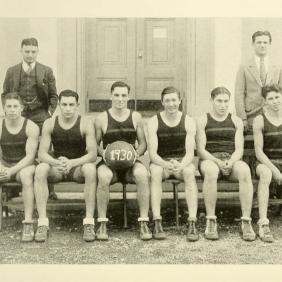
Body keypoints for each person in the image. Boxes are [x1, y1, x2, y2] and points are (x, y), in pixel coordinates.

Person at [33, 90, 97, 242]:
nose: (68, 108)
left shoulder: (85, 123)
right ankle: (42, 223)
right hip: (58, 168)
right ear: (59, 105)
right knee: (41, 168)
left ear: (77, 105)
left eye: (71, 105)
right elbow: (42, 154)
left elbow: (92, 155)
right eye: (64, 105)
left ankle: (89, 222)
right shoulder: (50, 123)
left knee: (90, 169)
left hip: (77, 167)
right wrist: (57, 162)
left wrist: (72, 163)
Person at [196, 87, 256, 241]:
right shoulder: (203, 120)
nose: (223, 105)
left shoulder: (235, 120)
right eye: (219, 101)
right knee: (211, 171)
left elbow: (239, 149)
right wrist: (217, 161)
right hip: (210, 159)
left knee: (244, 170)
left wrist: (231, 162)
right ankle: (211, 219)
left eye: (226, 101)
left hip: (231, 158)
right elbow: (201, 150)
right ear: (212, 101)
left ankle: (246, 221)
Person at [2, 37, 58, 199]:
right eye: (27, 51)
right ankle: (12, 189)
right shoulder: (12, 71)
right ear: (21, 51)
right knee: (15, 145)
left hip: (40, 112)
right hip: (19, 113)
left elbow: (54, 95)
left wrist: (48, 114)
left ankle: (50, 188)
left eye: (33, 52)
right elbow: (5, 94)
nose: (30, 55)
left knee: (45, 147)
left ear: (37, 52)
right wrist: (9, 111)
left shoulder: (46, 71)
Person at [95, 81, 152, 241]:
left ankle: (143, 221)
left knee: (142, 174)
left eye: (124, 95)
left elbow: (143, 144)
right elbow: (94, 144)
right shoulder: (101, 118)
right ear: (111, 96)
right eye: (116, 95)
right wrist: (103, 153)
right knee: (103, 176)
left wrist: (135, 154)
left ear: (128, 97)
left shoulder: (136, 117)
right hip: (109, 164)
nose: (120, 99)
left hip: (130, 164)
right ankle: (102, 222)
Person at [147, 86, 198, 241]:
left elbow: (190, 153)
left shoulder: (188, 121)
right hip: (161, 163)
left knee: (189, 172)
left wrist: (181, 165)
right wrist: (165, 164)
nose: (171, 104)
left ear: (180, 101)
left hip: (181, 163)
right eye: (167, 100)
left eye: (174, 100)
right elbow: (153, 154)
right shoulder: (154, 121)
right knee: (155, 172)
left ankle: (192, 221)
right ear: (162, 102)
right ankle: (157, 220)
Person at [0, 92, 39, 242]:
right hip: (5, 164)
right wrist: (1, 168)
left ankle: (28, 222)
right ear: (4, 108)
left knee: (26, 175)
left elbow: (30, 157)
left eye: (15, 106)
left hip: (24, 165)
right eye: (8, 106)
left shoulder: (31, 127)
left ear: (21, 108)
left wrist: (10, 171)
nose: (12, 109)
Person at [235, 30, 282, 133]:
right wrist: (242, 118)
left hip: (273, 115)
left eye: (265, 42)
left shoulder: (277, 66)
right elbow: (239, 94)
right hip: (251, 115)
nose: (262, 45)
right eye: (259, 42)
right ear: (253, 44)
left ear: (270, 44)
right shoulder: (244, 66)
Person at [252, 84, 282, 243]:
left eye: (277, 97)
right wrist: (276, 171)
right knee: (266, 174)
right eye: (271, 98)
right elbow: (259, 152)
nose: (275, 101)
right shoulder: (260, 120)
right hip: (266, 161)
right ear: (265, 102)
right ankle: (263, 223)